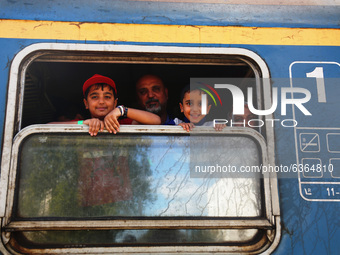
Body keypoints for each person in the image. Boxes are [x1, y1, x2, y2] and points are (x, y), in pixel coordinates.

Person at [51, 74, 161, 136]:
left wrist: (122, 110)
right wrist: (84, 123)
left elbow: (156, 120)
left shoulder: (123, 123)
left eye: (107, 97)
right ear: (86, 103)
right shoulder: (83, 124)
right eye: (95, 97)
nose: (101, 102)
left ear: (115, 103)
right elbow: (49, 126)